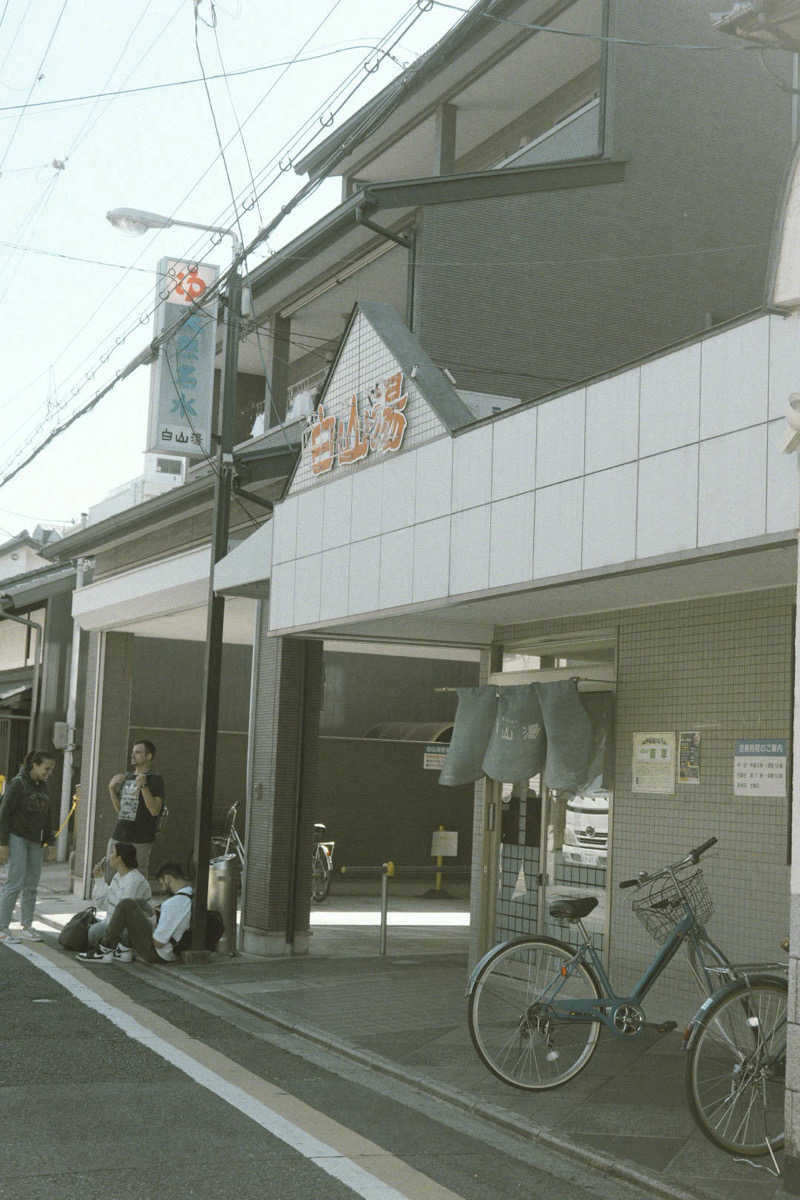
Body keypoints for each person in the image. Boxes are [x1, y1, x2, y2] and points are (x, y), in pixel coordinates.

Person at [78, 860, 192, 964]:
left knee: (126, 904)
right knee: (138, 903)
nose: (162, 888)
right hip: (172, 949)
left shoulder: (173, 904)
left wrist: (139, 926)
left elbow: (158, 942)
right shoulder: (189, 894)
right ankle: (124, 949)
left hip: (157, 954)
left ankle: (104, 949)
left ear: (168, 878)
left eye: (162, 883)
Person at [0, 749, 56, 942]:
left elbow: (48, 815)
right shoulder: (18, 784)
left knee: (32, 884)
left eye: (51, 770)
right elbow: (3, 814)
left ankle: (26, 925)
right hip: (17, 837)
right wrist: (3, 844)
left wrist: (50, 842)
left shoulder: (43, 786)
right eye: (46, 768)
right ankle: (2, 927)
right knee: (14, 882)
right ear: (35, 764)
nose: (49, 773)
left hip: (36, 840)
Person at [106, 740, 165, 881]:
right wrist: (112, 790)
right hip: (120, 834)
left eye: (138, 752)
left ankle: (135, 903)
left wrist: (144, 787)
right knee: (110, 873)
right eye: (133, 752)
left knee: (137, 877)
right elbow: (121, 811)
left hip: (141, 837)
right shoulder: (127, 777)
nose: (133, 755)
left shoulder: (155, 780)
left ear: (149, 756)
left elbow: (155, 811)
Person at [88, 842, 153, 951]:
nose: (109, 856)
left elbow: (123, 912)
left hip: (130, 928)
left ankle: (117, 946)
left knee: (93, 933)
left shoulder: (134, 881)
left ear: (120, 858)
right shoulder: (118, 876)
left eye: (112, 853)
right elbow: (103, 904)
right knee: (89, 928)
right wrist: (99, 880)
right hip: (113, 922)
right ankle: (112, 944)